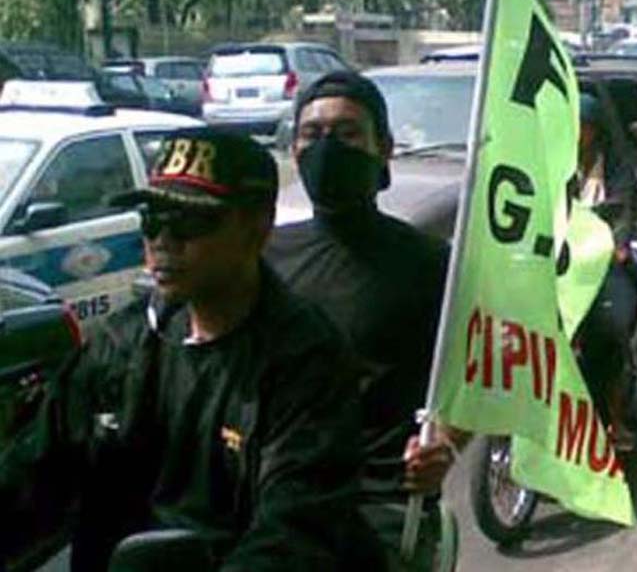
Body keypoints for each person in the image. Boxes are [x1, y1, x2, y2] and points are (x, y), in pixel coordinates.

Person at [0, 128, 385, 571]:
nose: (163, 240)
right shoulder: (121, 344)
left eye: (190, 221)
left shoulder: (304, 361)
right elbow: (35, 471)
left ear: (256, 228)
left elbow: (296, 530)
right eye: (152, 219)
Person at [265, 71, 466, 568]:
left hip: (384, 510)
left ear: (384, 149)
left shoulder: (428, 262)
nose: (327, 146)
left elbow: (478, 372)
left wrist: (447, 445)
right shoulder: (263, 258)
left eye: (348, 133)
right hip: (275, 506)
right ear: (294, 151)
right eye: (312, 135)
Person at [575, 93, 637, 449]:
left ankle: (613, 420)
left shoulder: (617, 170)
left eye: (583, 127)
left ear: (596, 132)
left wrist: (619, 244)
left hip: (604, 267)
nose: (576, 134)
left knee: (608, 331)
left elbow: (624, 211)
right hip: (561, 269)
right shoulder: (555, 169)